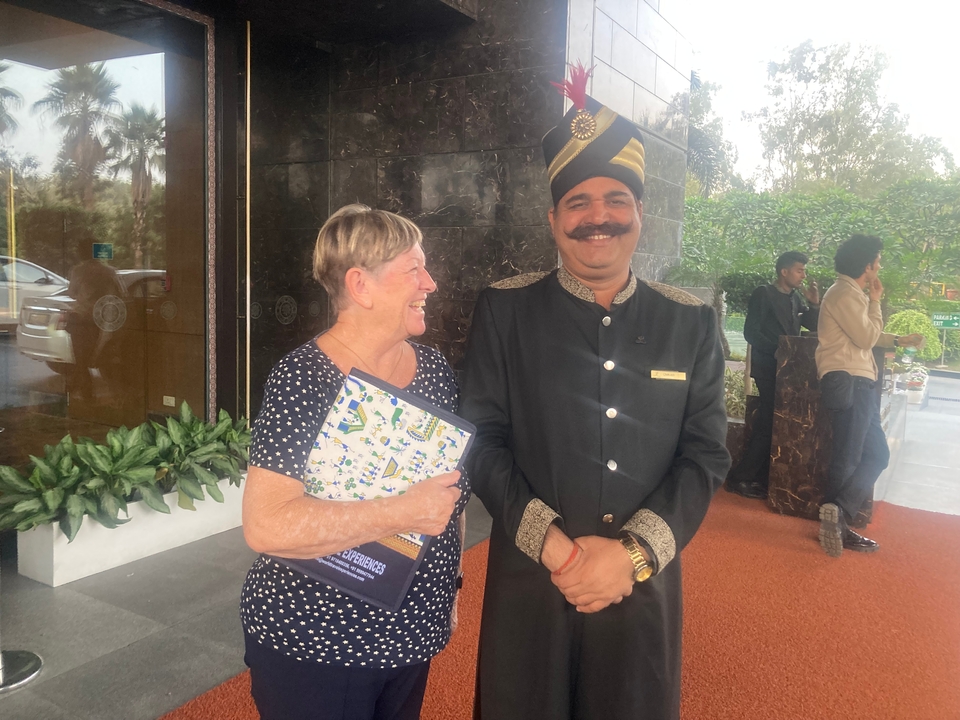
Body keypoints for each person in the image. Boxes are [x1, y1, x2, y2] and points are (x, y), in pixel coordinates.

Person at [460, 70, 730, 720]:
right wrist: (558, 549)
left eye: (616, 199)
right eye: (577, 202)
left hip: (638, 589)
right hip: (533, 581)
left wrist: (633, 556)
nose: (597, 217)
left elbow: (705, 456)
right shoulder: (506, 311)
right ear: (554, 219)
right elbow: (481, 442)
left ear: (640, 214)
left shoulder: (690, 322)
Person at [239, 204, 469, 720]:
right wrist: (400, 512)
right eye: (414, 269)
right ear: (361, 285)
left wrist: (450, 587)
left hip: (411, 635)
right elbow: (266, 525)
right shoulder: (303, 379)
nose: (430, 283)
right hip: (317, 641)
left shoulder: (434, 371)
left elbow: (450, 497)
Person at [815, 234, 922, 556]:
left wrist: (899, 340)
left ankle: (837, 512)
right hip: (851, 379)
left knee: (877, 454)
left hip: (859, 381)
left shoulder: (849, 293)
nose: (880, 267)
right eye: (878, 261)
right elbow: (865, 337)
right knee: (848, 455)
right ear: (867, 265)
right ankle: (837, 520)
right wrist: (876, 302)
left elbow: (866, 334)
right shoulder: (844, 293)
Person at [726, 251, 819, 499]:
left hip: (788, 371)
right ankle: (740, 477)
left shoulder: (795, 299)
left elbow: (813, 326)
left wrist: (813, 304)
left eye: (804, 271)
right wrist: (778, 350)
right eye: (799, 270)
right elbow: (751, 332)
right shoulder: (764, 294)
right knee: (767, 422)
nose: (803, 276)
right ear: (784, 271)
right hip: (768, 368)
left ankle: (756, 476)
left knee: (774, 422)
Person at [66, 236, 122, 402]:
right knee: (101, 358)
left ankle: (86, 394)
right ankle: (84, 389)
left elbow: (72, 293)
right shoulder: (109, 272)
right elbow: (118, 295)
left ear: (82, 252)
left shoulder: (78, 271)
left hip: (81, 319)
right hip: (102, 321)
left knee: (81, 359)